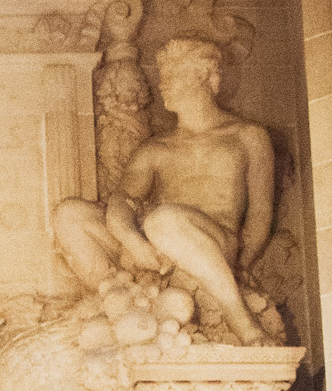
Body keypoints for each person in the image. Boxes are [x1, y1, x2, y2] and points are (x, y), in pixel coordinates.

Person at [53, 36, 275, 345]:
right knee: (70, 214)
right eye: (163, 76)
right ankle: (117, 296)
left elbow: (261, 213)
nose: (164, 85)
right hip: (158, 253)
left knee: (163, 220)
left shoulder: (247, 136)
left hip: (215, 241)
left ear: (207, 77)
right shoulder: (156, 148)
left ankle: (244, 323)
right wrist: (134, 242)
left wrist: (240, 268)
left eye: (174, 75)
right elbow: (121, 202)